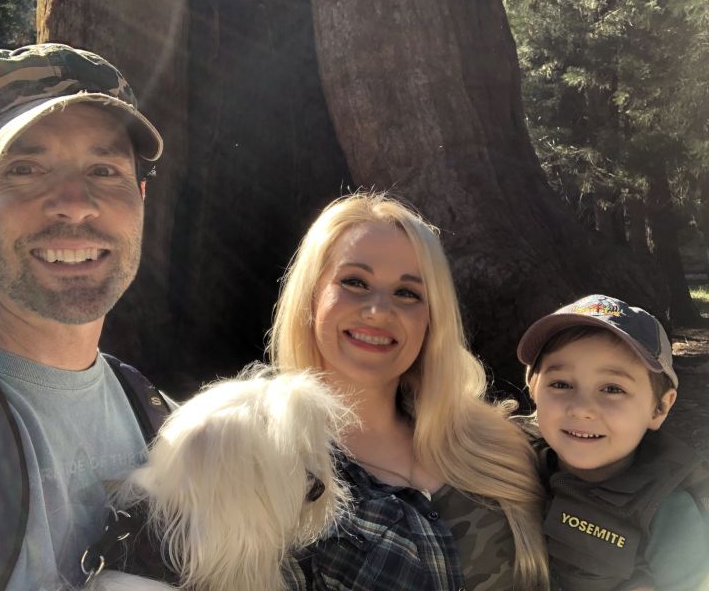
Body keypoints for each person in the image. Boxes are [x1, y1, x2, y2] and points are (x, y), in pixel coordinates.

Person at [0, 43, 167, 590]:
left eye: (104, 169)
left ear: (140, 196)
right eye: (25, 168)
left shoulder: (156, 414)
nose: (74, 203)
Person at [268, 193, 550, 591]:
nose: (379, 310)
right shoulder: (264, 468)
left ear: (431, 319)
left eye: (408, 293)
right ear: (311, 297)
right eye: (354, 282)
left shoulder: (501, 444)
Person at [517, 294, 709, 591]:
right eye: (561, 384)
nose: (581, 408)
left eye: (612, 389)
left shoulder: (669, 513)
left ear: (659, 407)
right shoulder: (508, 459)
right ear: (533, 389)